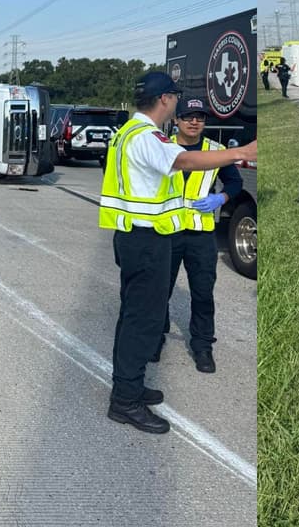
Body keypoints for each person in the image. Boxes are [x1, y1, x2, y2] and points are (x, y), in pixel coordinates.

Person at [99, 72, 257, 434]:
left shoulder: (127, 132)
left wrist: (219, 194)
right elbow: (183, 162)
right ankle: (125, 401)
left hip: (136, 237)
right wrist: (243, 152)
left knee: (136, 316)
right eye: (177, 101)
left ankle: (130, 386)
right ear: (166, 100)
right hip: (146, 241)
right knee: (143, 321)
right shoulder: (148, 136)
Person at [153, 97, 243, 374]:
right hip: (167, 231)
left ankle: (202, 346)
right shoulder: (161, 147)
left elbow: (235, 181)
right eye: (188, 116)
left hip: (201, 234)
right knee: (159, 290)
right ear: (176, 120)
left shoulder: (215, 150)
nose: (194, 122)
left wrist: (222, 198)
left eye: (200, 117)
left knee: (203, 292)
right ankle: (155, 338)